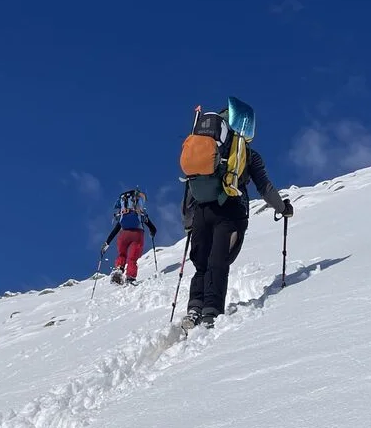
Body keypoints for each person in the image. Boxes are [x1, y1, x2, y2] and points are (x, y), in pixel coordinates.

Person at [180, 108, 293, 329]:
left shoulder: (206, 150)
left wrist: (188, 220)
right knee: (218, 262)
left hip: (202, 211)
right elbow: (264, 187)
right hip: (232, 211)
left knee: (201, 264)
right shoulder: (247, 154)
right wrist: (282, 207)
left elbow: (190, 188)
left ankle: (194, 309)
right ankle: (211, 313)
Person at [101, 189, 157, 285]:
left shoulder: (123, 214)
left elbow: (115, 230)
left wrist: (107, 243)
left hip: (123, 234)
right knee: (132, 258)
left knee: (122, 254)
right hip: (137, 234)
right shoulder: (140, 213)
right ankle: (130, 277)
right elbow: (153, 229)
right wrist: (152, 234)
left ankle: (119, 268)